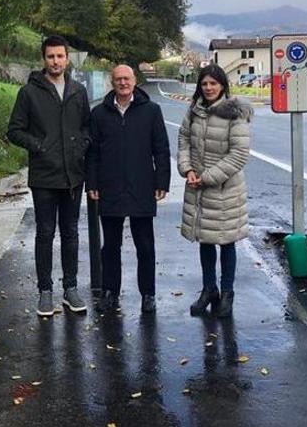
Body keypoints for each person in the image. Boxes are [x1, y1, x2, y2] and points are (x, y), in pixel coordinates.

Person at [7, 35, 91, 316]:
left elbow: (86, 128)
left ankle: (70, 288)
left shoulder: (78, 91)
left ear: (67, 58)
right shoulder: (28, 93)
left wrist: (80, 147)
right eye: (50, 56)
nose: (55, 61)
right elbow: (14, 131)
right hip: (44, 176)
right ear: (43, 59)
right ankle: (45, 291)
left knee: (71, 233)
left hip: (73, 177)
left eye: (60, 56)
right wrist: (39, 147)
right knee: (45, 233)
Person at [86, 65, 170, 313]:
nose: (122, 83)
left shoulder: (151, 111)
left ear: (135, 81)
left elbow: (161, 149)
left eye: (127, 78)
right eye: (118, 79)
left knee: (145, 245)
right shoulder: (99, 114)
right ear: (112, 83)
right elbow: (92, 153)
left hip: (142, 186)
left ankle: (148, 294)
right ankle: (110, 291)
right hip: (109, 187)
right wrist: (92, 182)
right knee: (110, 246)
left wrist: (161, 182)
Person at [177, 64, 253, 318]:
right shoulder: (194, 111)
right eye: (204, 84)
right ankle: (209, 289)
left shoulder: (235, 114)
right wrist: (187, 169)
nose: (208, 88)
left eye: (213, 83)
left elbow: (239, 154)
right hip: (197, 185)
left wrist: (207, 177)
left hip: (224, 189)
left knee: (226, 241)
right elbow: (184, 139)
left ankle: (227, 293)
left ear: (222, 85)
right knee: (205, 239)